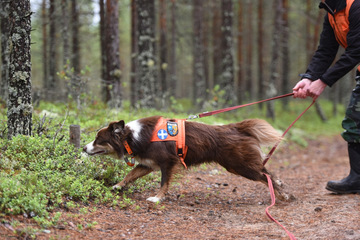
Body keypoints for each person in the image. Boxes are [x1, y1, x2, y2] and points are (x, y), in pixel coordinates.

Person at [293, 0, 360, 194]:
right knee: (356, 123)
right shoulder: (331, 12)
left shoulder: (355, 6)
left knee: (355, 120)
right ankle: (357, 178)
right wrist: (309, 78)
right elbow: (326, 50)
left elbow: (356, 50)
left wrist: (323, 81)